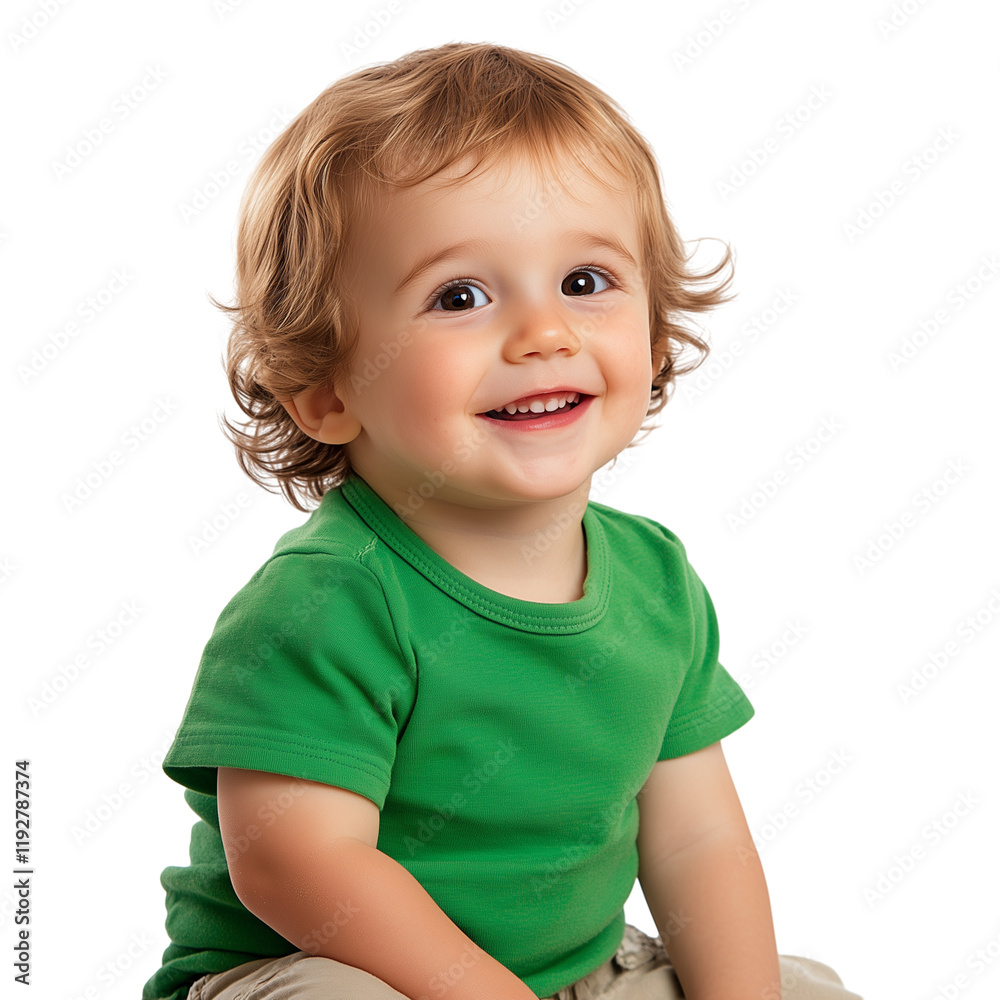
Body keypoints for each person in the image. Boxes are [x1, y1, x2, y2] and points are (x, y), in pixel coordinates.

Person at [142, 41, 863, 1000]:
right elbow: (297, 864)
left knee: (801, 988)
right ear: (324, 390)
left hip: (579, 973)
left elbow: (696, 837)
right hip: (324, 971)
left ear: (655, 335)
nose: (545, 333)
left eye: (585, 282)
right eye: (461, 296)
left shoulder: (653, 580)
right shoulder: (330, 601)